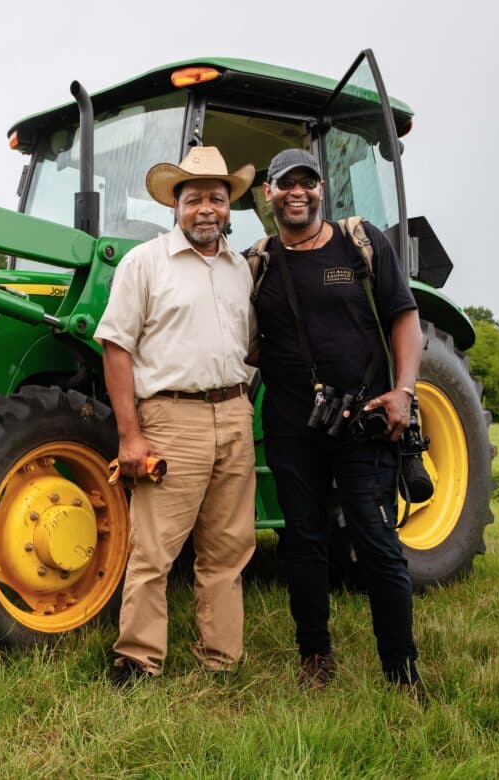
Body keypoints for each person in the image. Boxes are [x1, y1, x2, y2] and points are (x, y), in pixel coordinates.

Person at [251, 148, 424, 689]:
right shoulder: (258, 262)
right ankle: (315, 658)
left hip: (365, 420)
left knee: (376, 541)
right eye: (285, 183)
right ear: (268, 193)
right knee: (303, 542)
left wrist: (404, 392)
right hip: (292, 427)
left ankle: (401, 670)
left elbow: (405, 318)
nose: (296, 192)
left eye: (306, 182)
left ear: (321, 188)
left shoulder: (361, 242)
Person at [95, 146, 259, 682]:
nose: (206, 209)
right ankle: (139, 659)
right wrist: (130, 436)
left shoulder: (241, 270)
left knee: (229, 546)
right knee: (154, 549)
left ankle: (222, 658)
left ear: (229, 206)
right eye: (194, 199)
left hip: (234, 414)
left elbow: (250, 345)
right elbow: (115, 347)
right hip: (172, 418)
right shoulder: (144, 263)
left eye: (216, 198)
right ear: (175, 205)